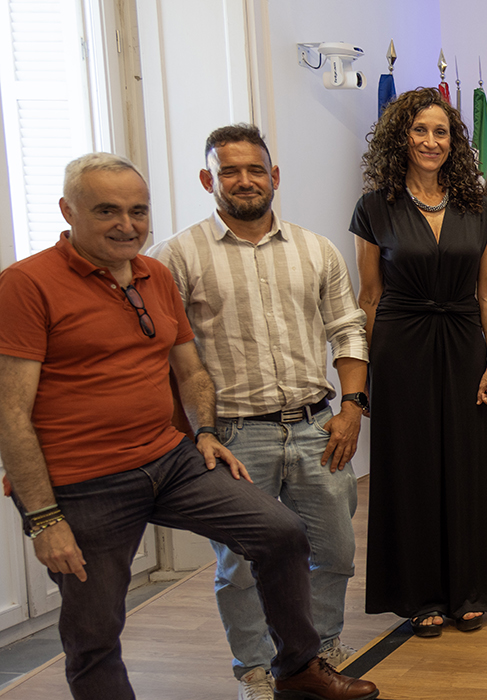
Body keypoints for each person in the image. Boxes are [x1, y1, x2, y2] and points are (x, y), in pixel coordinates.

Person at [0, 153, 377, 700]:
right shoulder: (26, 284)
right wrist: (42, 519)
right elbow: (11, 414)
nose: (126, 225)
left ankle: (297, 670)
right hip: (85, 483)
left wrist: (202, 432)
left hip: (171, 459)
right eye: (106, 211)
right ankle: (250, 668)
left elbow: (190, 369)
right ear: (67, 211)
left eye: (137, 211)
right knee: (95, 631)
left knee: (280, 533)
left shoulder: (153, 274)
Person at [150, 124, 369, 699]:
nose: (244, 181)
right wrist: (192, 432)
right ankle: (254, 667)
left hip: (316, 426)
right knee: (240, 564)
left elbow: (347, 327)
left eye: (254, 169)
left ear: (274, 176)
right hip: (232, 436)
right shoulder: (175, 256)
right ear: (208, 179)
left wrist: (351, 407)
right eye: (229, 171)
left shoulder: (315, 248)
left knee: (335, 552)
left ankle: (317, 657)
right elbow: (166, 353)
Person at [352, 87, 487, 638]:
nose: (431, 141)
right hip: (401, 344)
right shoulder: (374, 206)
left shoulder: (477, 206)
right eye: (420, 130)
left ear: (454, 142)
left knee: (466, 465)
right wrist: (362, 375)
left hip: (465, 342)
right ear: (401, 136)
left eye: (441, 132)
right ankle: (420, 595)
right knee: (411, 469)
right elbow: (368, 297)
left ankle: (469, 588)